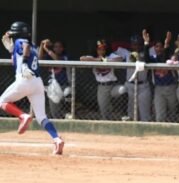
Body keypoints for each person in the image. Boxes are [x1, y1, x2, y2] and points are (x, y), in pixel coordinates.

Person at [1, 21, 65, 155]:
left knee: (2, 101)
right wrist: (12, 49)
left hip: (24, 80)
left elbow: (24, 47)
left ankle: (23, 116)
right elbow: (28, 53)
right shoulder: (33, 45)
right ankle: (57, 139)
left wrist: (23, 63)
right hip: (37, 82)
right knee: (42, 117)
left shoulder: (21, 41)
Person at [80, 39, 125, 121]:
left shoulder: (110, 56)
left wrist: (105, 60)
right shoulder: (93, 57)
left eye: (103, 49)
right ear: (96, 50)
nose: (101, 51)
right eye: (99, 49)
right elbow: (82, 58)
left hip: (112, 85)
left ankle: (120, 113)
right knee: (104, 111)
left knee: (123, 89)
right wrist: (97, 60)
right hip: (102, 87)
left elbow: (120, 59)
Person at [143, 30, 178, 122]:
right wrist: (146, 43)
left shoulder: (169, 57)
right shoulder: (154, 58)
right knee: (160, 115)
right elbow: (146, 59)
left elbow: (165, 59)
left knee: (173, 112)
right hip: (159, 88)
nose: (158, 48)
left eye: (160, 46)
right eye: (156, 46)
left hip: (171, 87)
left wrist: (167, 45)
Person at [38, 39, 70, 119]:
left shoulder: (65, 56)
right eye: (55, 47)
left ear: (63, 48)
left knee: (67, 108)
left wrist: (47, 49)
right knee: (55, 112)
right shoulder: (49, 56)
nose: (57, 48)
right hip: (53, 87)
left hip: (64, 86)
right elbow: (39, 59)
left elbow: (58, 61)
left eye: (59, 47)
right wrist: (42, 46)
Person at [124, 34, 152, 122]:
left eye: (138, 44)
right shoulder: (126, 53)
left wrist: (146, 43)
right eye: (134, 44)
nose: (136, 46)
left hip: (143, 86)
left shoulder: (147, 54)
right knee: (130, 114)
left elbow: (147, 58)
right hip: (130, 86)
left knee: (145, 115)